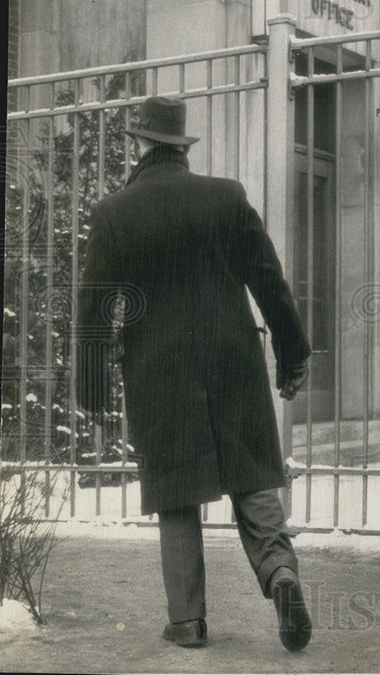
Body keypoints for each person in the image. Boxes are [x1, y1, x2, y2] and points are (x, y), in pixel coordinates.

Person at [76, 97, 312, 652]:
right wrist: (292, 352)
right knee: (252, 474)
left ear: (139, 143)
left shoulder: (115, 212)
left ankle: (187, 621)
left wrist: (92, 399)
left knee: (176, 489)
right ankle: (280, 574)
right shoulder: (225, 196)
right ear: (182, 147)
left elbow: (91, 315)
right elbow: (269, 280)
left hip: (160, 369)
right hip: (233, 357)